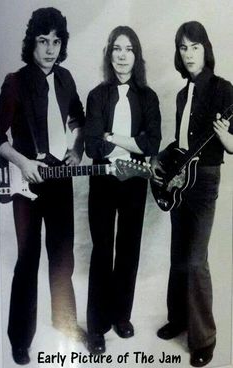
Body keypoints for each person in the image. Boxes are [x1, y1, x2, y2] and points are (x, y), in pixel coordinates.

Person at [0, 7, 85, 365]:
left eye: (56, 41)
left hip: (60, 180)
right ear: (32, 43)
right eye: (42, 40)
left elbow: (78, 119)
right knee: (27, 260)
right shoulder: (15, 81)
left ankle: (64, 322)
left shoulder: (66, 78)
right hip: (28, 184)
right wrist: (23, 161)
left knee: (62, 259)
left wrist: (77, 150)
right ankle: (20, 339)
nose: (50, 48)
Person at [151, 21, 233, 367]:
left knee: (197, 261)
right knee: (177, 255)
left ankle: (204, 339)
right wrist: (162, 164)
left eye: (195, 47)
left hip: (205, 182)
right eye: (183, 48)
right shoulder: (184, 94)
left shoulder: (224, 89)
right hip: (179, 179)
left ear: (206, 50)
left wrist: (227, 137)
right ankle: (180, 319)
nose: (188, 54)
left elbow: (231, 145)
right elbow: (183, 144)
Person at [85, 26, 161, 354]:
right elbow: (91, 145)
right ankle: (97, 326)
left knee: (129, 250)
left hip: (134, 182)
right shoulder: (97, 95)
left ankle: (121, 316)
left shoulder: (148, 97)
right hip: (102, 181)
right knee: (102, 251)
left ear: (136, 56)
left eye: (129, 49)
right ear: (109, 54)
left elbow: (151, 143)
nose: (122, 55)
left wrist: (111, 136)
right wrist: (122, 142)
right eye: (117, 48)